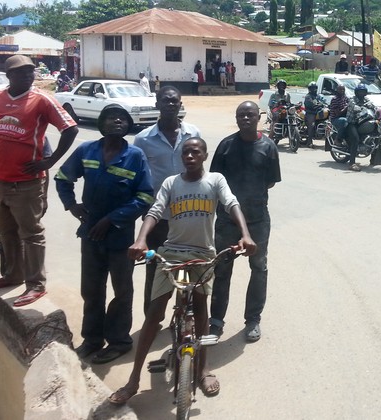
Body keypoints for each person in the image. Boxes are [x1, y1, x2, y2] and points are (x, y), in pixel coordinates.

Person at [108, 137, 256, 405]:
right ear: (181, 157)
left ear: (204, 155)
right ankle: (133, 380)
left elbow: (232, 204)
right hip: (172, 252)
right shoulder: (171, 183)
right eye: (186, 152)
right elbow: (155, 210)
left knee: (201, 310)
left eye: (195, 152)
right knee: (154, 315)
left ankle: (202, 369)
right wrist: (141, 240)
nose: (190, 156)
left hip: (202, 254)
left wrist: (245, 235)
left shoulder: (215, 180)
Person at [55, 105, 154, 364]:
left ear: (128, 125)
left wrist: (112, 219)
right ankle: (92, 339)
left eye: (123, 118)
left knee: (122, 291)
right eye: (111, 117)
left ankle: (119, 341)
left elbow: (144, 196)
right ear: (101, 123)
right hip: (90, 234)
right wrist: (72, 205)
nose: (118, 120)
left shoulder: (135, 156)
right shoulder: (86, 151)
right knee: (92, 290)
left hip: (120, 237)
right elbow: (63, 177)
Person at [0, 55, 78, 306]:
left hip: (27, 181)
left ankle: (35, 284)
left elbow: (70, 129)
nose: (28, 75)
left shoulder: (42, 99)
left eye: (30, 71)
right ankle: (12, 275)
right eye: (21, 72)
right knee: (6, 233)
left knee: (31, 234)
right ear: (8, 76)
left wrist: (50, 160)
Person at [209, 101, 281, 343]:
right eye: (241, 115)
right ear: (237, 118)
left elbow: (270, 181)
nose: (246, 119)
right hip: (227, 222)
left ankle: (253, 320)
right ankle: (216, 321)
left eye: (250, 114)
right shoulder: (225, 146)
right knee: (222, 270)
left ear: (258, 117)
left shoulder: (268, 147)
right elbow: (215, 182)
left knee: (258, 268)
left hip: (258, 220)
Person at [134, 86, 201, 315]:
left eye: (175, 101)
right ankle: (152, 316)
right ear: (157, 104)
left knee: (189, 266)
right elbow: (138, 177)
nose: (171, 105)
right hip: (158, 217)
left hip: (189, 216)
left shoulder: (193, 134)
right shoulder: (143, 139)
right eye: (166, 101)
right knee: (156, 267)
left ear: (181, 105)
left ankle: (184, 316)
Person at [343, 83, 377, 172]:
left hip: (362, 121)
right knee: (355, 139)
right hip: (352, 123)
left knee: (376, 134)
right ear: (356, 92)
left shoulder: (366, 99)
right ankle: (352, 163)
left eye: (363, 92)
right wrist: (361, 107)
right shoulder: (352, 100)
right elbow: (355, 107)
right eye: (360, 92)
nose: (361, 93)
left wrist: (375, 108)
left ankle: (374, 159)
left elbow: (372, 105)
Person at [303, 81, 327, 148]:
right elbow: (311, 105)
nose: (314, 89)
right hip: (310, 113)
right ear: (309, 89)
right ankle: (309, 142)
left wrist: (324, 105)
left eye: (315, 88)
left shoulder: (318, 96)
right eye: (312, 88)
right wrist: (318, 105)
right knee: (312, 125)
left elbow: (323, 101)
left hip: (318, 112)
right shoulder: (308, 96)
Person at [327, 84, 349, 151]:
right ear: (337, 90)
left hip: (345, 117)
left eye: (343, 89)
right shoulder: (335, 99)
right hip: (335, 119)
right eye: (340, 89)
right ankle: (337, 139)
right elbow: (338, 113)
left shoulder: (345, 98)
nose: (342, 91)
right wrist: (347, 107)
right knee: (344, 121)